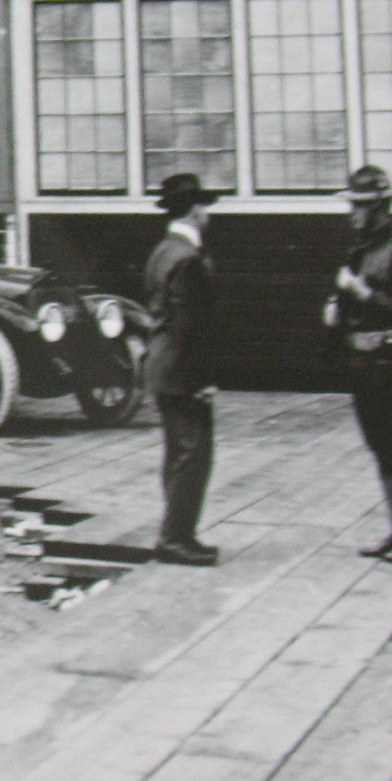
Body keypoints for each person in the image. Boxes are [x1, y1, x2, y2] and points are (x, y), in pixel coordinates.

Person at [326, 165, 392, 563]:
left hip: (390, 362)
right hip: (364, 361)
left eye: (361, 205)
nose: (353, 213)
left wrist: (362, 294)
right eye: (352, 204)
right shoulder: (364, 249)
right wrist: (339, 306)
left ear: (382, 206)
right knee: (380, 446)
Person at [142, 172, 223, 566]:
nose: (208, 213)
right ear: (195, 211)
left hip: (161, 366)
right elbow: (191, 326)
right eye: (204, 205)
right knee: (195, 454)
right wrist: (202, 381)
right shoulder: (189, 259)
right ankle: (175, 538)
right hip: (181, 370)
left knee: (177, 453)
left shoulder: (162, 252)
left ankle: (176, 533)